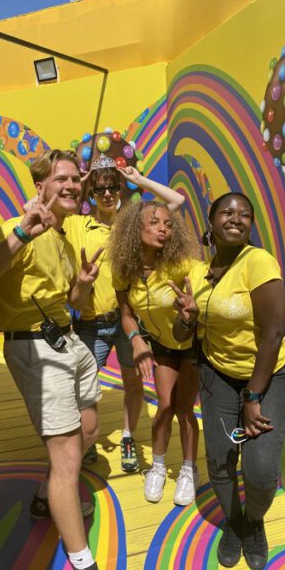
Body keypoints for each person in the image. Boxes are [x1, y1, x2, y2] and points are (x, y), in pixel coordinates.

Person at [0, 149, 105, 570]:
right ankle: (85, 566)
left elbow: (73, 304)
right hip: (34, 348)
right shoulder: (17, 228)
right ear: (39, 186)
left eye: (76, 179)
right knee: (66, 458)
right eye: (61, 178)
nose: (72, 185)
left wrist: (81, 287)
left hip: (68, 341)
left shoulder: (62, 237)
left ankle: (46, 497)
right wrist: (22, 233)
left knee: (89, 430)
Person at [170, 191, 285, 570]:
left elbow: (273, 334)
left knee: (260, 469)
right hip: (217, 376)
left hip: (266, 377)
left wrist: (254, 395)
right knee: (221, 459)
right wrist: (189, 317)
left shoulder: (258, 263)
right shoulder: (197, 274)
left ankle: (254, 522)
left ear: (251, 225)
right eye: (227, 212)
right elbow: (179, 334)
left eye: (244, 214)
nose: (236, 218)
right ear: (211, 221)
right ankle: (234, 525)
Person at [63, 150, 185, 473]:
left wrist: (139, 180)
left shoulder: (132, 222)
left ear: (120, 189)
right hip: (91, 323)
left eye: (112, 188)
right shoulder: (78, 224)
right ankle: (87, 439)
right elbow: (44, 215)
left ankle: (129, 436)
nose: (106, 194)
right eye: (99, 189)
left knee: (133, 383)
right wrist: (78, 184)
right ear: (92, 192)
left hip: (127, 319)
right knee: (83, 386)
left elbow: (175, 202)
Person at [108, 200, 201, 506]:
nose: (164, 229)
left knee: (185, 409)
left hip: (192, 344)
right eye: (155, 222)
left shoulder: (181, 265)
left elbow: (202, 296)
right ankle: (158, 467)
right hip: (162, 346)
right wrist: (135, 340)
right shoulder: (125, 269)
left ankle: (188, 469)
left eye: (169, 224)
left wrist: (191, 309)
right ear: (137, 228)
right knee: (164, 406)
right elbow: (125, 311)